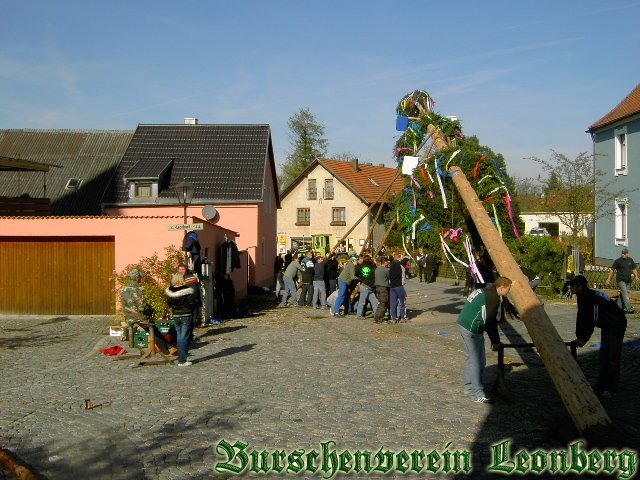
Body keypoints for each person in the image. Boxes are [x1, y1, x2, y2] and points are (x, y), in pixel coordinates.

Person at [569, 275, 627, 398]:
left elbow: (592, 320)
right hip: (607, 325)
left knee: (611, 356)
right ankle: (601, 386)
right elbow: (581, 318)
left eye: (572, 286)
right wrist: (580, 336)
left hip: (616, 323)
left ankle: (611, 388)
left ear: (579, 286)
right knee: (604, 356)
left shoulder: (592, 298)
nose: (570, 288)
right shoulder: (582, 296)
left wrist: (584, 339)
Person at [457, 276, 512, 403]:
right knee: (478, 360)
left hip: (464, 323)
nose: (508, 292)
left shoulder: (486, 290)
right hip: (471, 328)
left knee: (471, 358)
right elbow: (490, 321)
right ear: (502, 287)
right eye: (508, 289)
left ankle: (468, 387)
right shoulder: (492, 298)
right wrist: (495, 341)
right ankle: (477, 393)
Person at [120, 269, 175, 356]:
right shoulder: (136, 289)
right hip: (138, 317)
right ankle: (166, 350)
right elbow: (142, 307)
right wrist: (150, 309)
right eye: (140, 277)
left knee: (152, 326)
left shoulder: (123, 289)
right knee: (153, 328)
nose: (141, 279)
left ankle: (169, 348)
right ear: (136, 277)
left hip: (128, 316)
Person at [165, 271, 200, 366]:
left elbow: (169, 304)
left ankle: (181, 358)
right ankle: (182, 359)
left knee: (179, 336)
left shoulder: (170, 291)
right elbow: (193, 303)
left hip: (176, 315)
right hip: (186, 315)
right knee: (184, 337)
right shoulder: (188, 290)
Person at [606, 248, 638, 314]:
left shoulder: (630, 260)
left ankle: (618, 308)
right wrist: (608, 279)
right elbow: (612, 270)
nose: (623, 254)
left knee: (623, 294)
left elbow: (634, 268)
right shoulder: (618, 261)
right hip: (620, 280)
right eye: (622, 253)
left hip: (628, 281)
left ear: (627, 254)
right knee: (625, 294)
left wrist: (637, 276)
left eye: (624, 253)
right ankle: (629, 308)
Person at [356, 254, 379, 318]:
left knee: (374, 300)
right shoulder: (372, 266)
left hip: (368, 285)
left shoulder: (361, 266)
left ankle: (376, 313)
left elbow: (356, 273)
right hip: (366, 285)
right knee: (362, 301)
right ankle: (359, 315)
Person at [389, 252, 407, 322]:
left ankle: (393, 318)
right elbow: (402, 277)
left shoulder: (391, 265)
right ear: (399, 257)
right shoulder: (401, 265)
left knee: (393, 303)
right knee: (402, 302)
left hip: (392, 286)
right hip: (399, 286)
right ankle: (402, 317)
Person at [374, 256, 390, 323]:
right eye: (387, 262)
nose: (388, 263)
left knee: (380, 303)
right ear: (385, 262)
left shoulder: (377, 269)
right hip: (383, 288)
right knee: (383, 303)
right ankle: (379, 318)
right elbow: (390, 276)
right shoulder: (385, 270)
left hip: (377, 287)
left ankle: (377, 316)